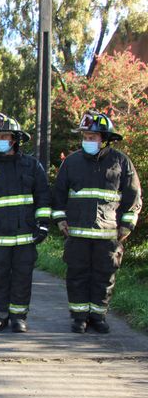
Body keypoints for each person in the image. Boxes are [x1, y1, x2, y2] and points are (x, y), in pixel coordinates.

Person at [53, 110, 142, 334]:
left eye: (92, 137)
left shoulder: (121, 162)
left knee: (104, 277)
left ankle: (98, 316)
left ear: (105, 139)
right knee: (76, 276)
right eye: (84, 137)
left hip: (108, 234)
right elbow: (58, 194)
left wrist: (127, 225)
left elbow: (133, 196)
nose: (87, 141)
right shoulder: (71, 162)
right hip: (78, 233)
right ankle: (79, 317)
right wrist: (61, 219)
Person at [0, 113, 51, 333]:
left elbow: (43, 197)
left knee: (22, 276)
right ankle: (0, 315)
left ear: (15, 138)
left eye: (5, 135)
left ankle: (19, 316)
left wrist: (43, 223)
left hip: (26, 235)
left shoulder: (32, 166)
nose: (0, 139)